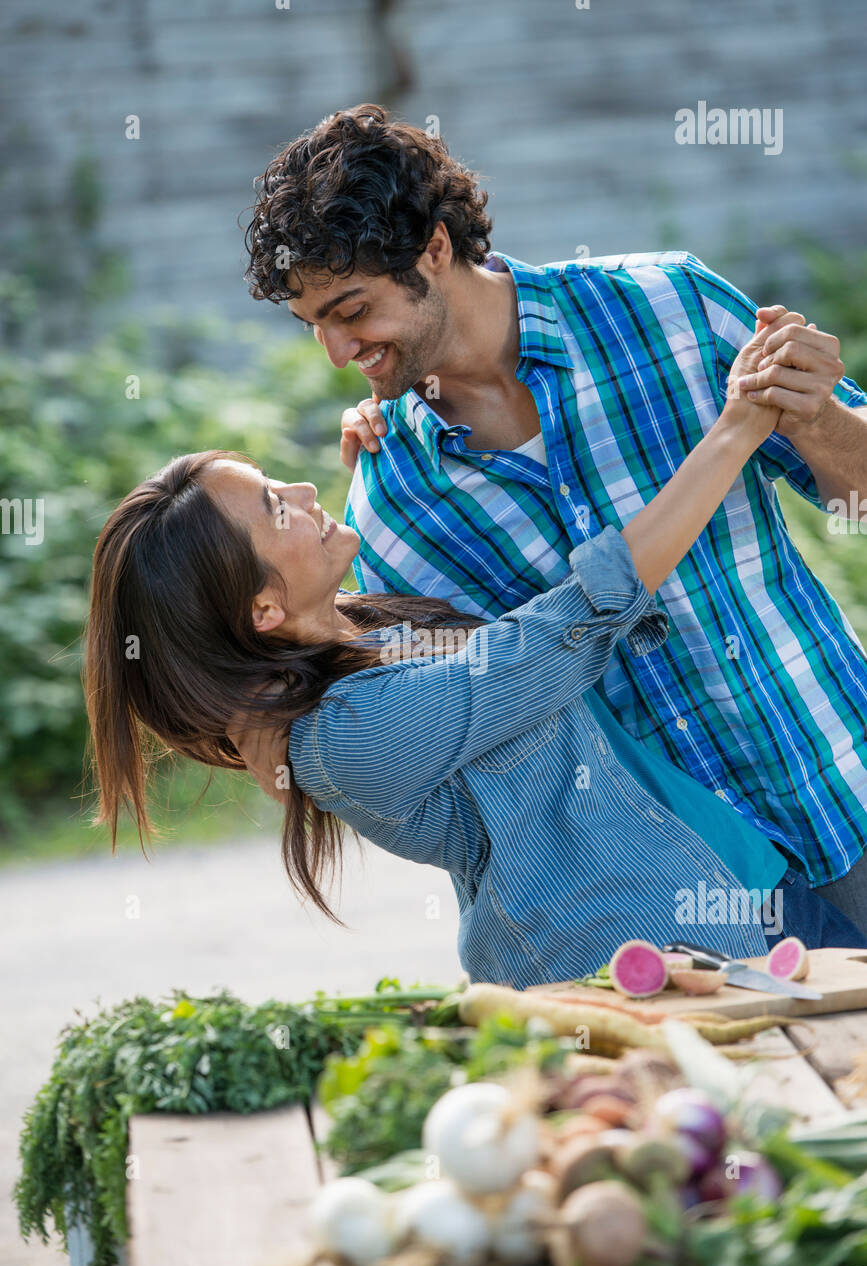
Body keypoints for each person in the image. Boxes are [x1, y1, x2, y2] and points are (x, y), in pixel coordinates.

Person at [84, 322, 865, 989]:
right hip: (654, 960)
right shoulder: (344, 736)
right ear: (260, 608)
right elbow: (564, 630)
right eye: (271, 506)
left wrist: (389, 464)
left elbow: (406, 633)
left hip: (744, 884)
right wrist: (733, 430)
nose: (300, 488)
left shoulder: (360, 641)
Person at [242, 103, 867, 929]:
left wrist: (818, 417)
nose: (336, 353)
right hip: (690, 905)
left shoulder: (668, 307)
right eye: (312, 324)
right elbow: (473, 728)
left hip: (842, 782)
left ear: (432, 247)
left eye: (351, 311)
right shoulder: (393, 504)